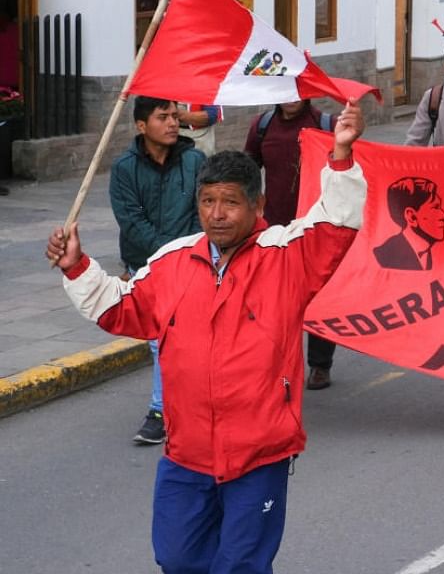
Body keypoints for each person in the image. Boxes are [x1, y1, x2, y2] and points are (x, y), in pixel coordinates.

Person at [49, 101, 368, 572]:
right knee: (176, 559)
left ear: (257, 205)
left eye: (230, 202)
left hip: (258, 457)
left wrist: (340, 154)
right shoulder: (173, 260)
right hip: (187, 456)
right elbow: (121, 308)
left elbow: (337, 221)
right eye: (207, 201)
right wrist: (76, 265)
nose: (217, 214)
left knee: (240, 565)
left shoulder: (286, 257)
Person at [109, 97, 206, 445]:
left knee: (193, 339)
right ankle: (160, 411)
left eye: (173, 116)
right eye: (162, 117)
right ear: (141, 126)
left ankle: (186, 404)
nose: (171, 123)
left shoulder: (195, 161)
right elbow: (131, 221)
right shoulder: (124, 169)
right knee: (158, 340)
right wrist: (166, 254)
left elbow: (203, 210)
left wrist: (188, 251)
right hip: (146, 269)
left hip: (193, 265)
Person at [244, 99, 339, 390]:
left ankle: (320, 365)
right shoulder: (262, 127)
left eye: (298, 89)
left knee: (320, 299)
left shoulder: (326, 125)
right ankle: (277, 363)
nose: (292, 97)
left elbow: (345, 168)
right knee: (275, 302)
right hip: (276, 232)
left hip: (317, 228)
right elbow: (248, 171)